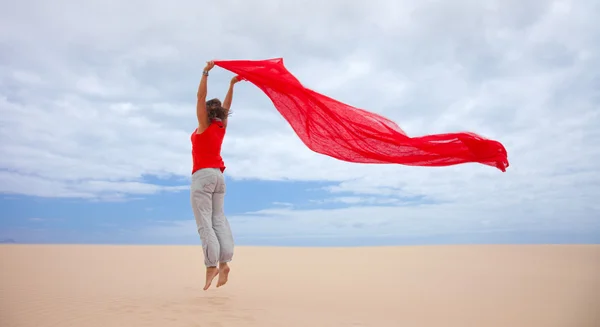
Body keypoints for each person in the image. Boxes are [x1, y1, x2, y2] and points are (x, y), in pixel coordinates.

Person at [190, 60, 241, 290]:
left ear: (207, 113)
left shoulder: (204, 125)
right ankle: (224, 262)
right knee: (218, 219)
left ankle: (211, 265)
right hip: (219, 178)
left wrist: (205, 73)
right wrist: (231, 84)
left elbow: (200, 97)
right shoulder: (221, 128)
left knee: (205, 223)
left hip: (203, 176)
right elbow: (227, 105)